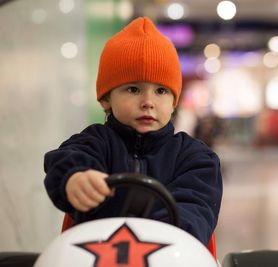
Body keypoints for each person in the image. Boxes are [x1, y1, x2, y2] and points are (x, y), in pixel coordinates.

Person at [43, 17, 223, 246]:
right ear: (106, 99)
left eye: (160, 91)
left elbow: (195, 213)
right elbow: (65, 160)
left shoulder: (196, 157)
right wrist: (75, 178)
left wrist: (139, 238)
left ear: (174, 102)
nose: (148, 102)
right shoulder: (94, 142)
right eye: (134, 89)